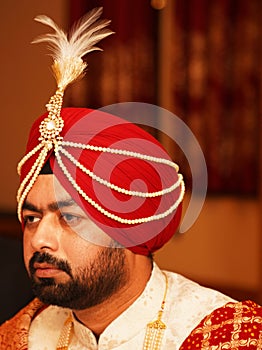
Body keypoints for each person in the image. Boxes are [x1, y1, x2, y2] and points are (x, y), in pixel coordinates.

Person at [0, 7, 261, 350]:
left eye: (70, 217)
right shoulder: (21, 336)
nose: (39, 240)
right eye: (32, 218)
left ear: (131, 229)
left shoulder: (224, 337)